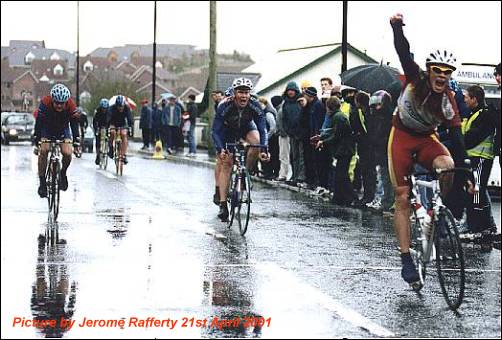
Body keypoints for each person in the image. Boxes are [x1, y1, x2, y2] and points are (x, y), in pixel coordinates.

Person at [389, 13, 471, 287]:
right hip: (401, 136)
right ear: (429, 70)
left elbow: (457, 137)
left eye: (447, 73)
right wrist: (397, 27)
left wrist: (467, 171)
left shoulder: (449, 100)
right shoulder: (415, 78)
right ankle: (405, 259)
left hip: (425, 138)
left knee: (448, 166)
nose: (442, 77)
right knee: (402, 197)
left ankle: (436, 213)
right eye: (438, 71)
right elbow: (403, 51)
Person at [211, 77, 269, 221]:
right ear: (234, 93)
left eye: (246, 92)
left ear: (250, 94)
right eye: (240, 92)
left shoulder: (255, 105)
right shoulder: (224, 105)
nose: (244, 96)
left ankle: (244, 174)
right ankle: (223, 204)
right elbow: (216, 131)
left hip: (246, 127)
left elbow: (263, 130)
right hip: (227, 130)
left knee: (256, 142)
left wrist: (264, 149)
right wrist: (220, 149)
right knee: (227, 163)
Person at [33, 84, 80, 197]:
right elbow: (39, 123)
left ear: (66, 102)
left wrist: (76, 141)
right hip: (47, 129)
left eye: (62, 103)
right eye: (57, 103)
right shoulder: (45, 103)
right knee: (44, 151)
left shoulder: (71, 105)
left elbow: (74, 124)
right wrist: (37, 140)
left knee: (67, 153)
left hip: (63, 128)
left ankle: (63, 173)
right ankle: (42, 182)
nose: (59, 106)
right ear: (52, 100)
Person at [462, 85, 497, 234]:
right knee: (474, 192)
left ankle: (477, 227)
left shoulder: (484, 114)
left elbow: (472, 138)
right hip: (473, 158)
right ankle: (480, 226)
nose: (464, 99)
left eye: (466, 97)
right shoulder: (472, 113)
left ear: (474, 99)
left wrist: (459, 141)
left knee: (477, 191)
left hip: (482, 157)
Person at [107, 95, 133, 164]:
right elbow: (108, 118)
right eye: (119, 106)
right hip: (113, 123)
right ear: (116, 105)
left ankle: (124, 155)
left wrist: (130, 126)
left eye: (122, 106)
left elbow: (129, 118)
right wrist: (108, 126)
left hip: (122, 124)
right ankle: (111, 148)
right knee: (112, 133)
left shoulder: (127, 108)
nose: (120, 108)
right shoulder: (111, 108)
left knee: (124, 135)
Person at [92, 98, 109, 165]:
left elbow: (111, 120)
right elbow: (94, 121)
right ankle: (98, 155)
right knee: (98, 139)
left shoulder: (109, 111)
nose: (104, 110)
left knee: (108, 136)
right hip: (99, 125)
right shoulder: (97, 111)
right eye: (103, 108)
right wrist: (96, 129)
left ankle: (108, 149)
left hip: (106, 125)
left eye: (105, 108)